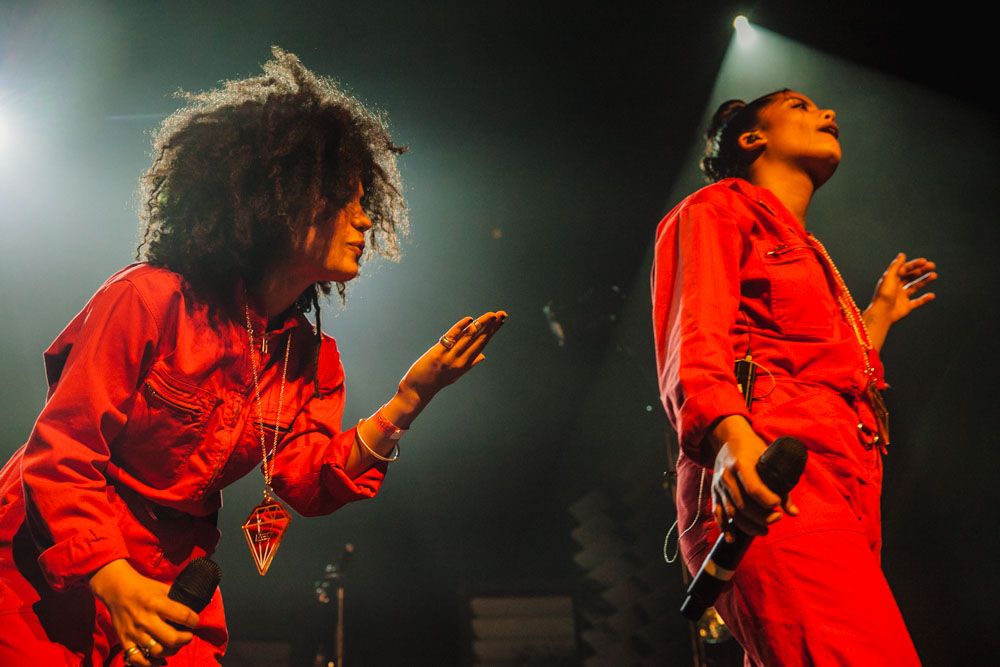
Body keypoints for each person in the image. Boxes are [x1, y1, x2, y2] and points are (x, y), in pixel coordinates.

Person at [0, 48, 506, 666]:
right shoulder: (148, 300)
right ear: (281, 200)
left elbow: (310, 482)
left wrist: (411, 398)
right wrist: (111, 577)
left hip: (170, 566)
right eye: (345, 200)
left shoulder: (307, 358)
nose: (366, 221)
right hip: (43, 565)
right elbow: (62, 455)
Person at [652, 90, 935, 665]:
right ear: (752, 138)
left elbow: (818, 367)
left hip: (843, 492)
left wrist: (877, 316)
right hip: (769, 483)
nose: (828, 114)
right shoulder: (715, 209)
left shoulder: (805, 250)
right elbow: (695, 336)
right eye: (801, 107)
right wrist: (729, 441)